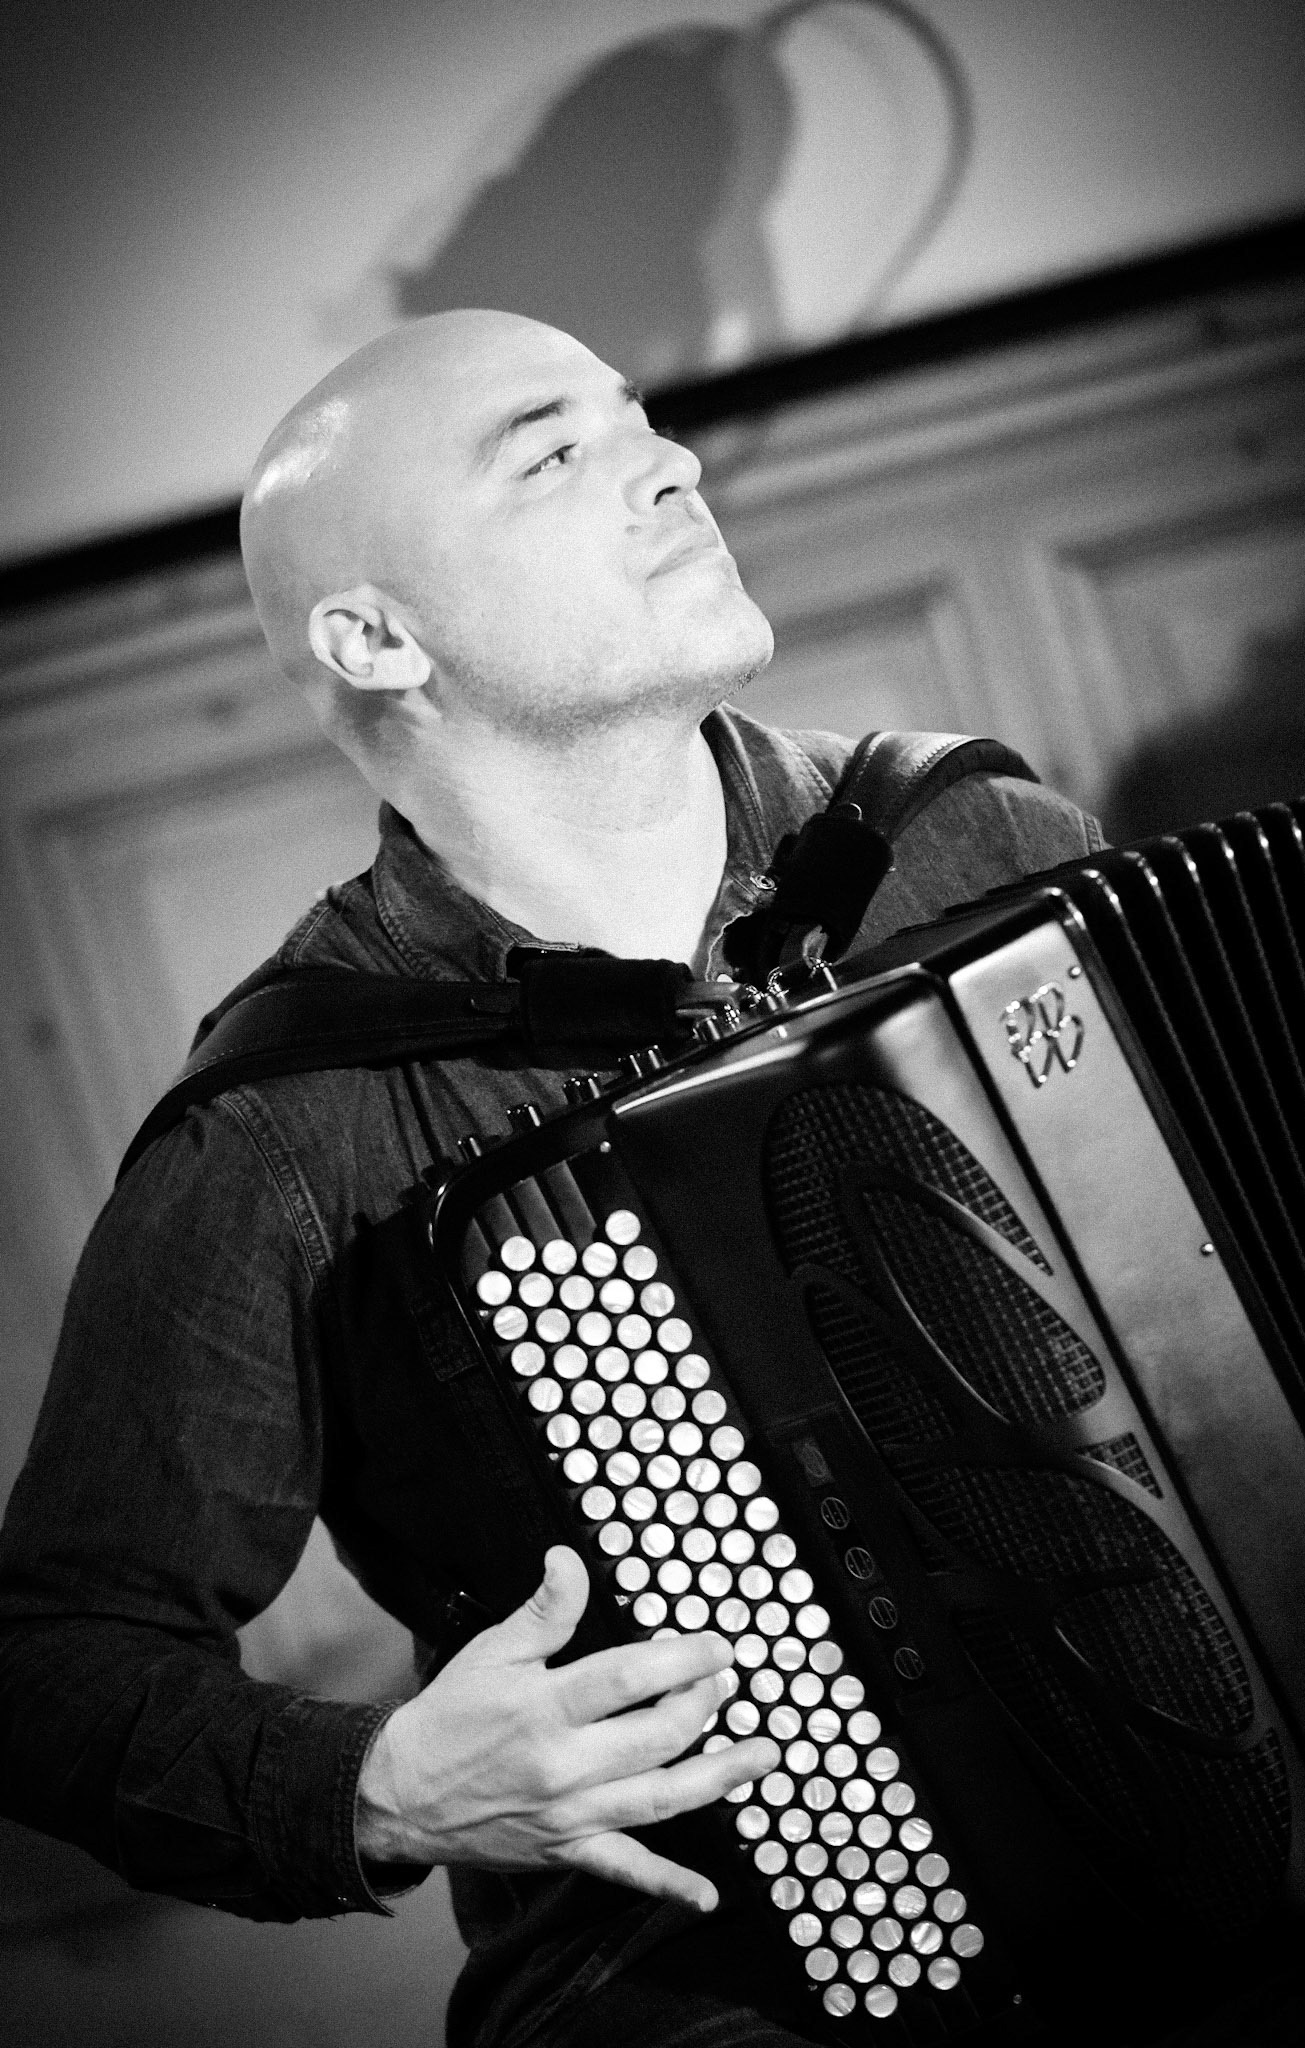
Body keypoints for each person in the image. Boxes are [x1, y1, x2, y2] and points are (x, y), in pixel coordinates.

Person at [0, 311, 1103, 2047]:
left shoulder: (973, 845)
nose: (667, 466)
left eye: (640, 419)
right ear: (374, 637)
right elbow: (51, 1664)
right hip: (715, 1978)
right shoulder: (293, 1127)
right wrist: (376, 1785)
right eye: (551, 452)